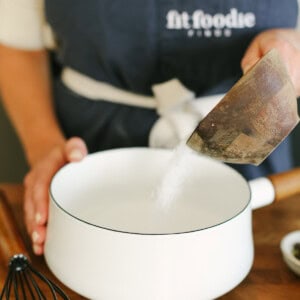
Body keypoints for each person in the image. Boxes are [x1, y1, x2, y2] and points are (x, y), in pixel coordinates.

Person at [0, 0, 300, 255]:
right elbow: (16, 41)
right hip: (87, 144)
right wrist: (44, 147)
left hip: (245, 140)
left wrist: (292, 47)